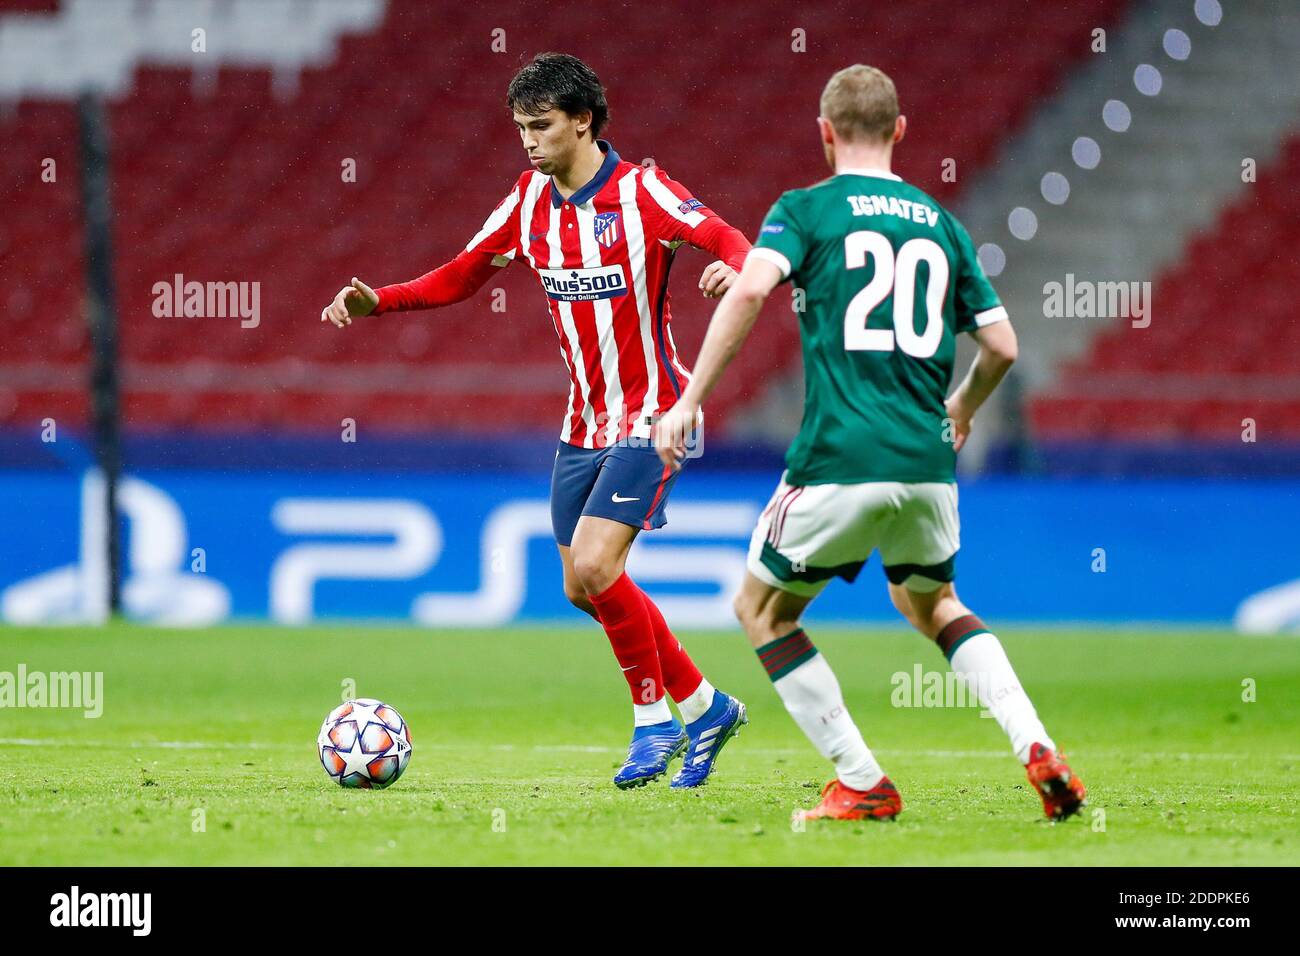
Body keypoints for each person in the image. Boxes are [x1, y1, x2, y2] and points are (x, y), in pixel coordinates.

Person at [654, 64, 1086, 820]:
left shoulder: (807, 209)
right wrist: (964, 407)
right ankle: (1036, 746)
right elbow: (1004, 346)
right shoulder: (940, 223)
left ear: (824, 133)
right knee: (935, 604)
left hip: (839, 459)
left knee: (763, 611)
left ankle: (861, 780)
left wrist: (690, 400)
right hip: (927, 462)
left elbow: (754, 286)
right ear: (901, 132)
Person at [321, 53, 750, 789]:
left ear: (582, 120)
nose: (528, 140)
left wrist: (738, 269)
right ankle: (707, 708)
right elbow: (463, 273)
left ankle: (653, 725)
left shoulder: (644, 192)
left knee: (594, 565)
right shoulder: (527, 202)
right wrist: (381, 301)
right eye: (520, 127)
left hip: (655, 413)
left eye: (541, 126)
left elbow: (728, 238)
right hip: (582, 423)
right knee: (583, 587)